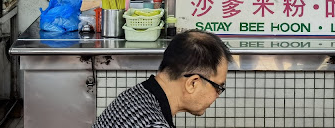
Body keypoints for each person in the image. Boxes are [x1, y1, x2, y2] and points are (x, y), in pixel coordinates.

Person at [92, 30, 232, 128]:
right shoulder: (154, 124)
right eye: (218, 87)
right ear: (192, 83)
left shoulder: (136, 95)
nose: (217, 95)